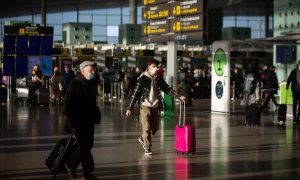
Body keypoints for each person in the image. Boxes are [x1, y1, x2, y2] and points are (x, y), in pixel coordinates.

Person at [125, 59, 185, 155]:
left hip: (155, 105)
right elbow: (135, 93)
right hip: (145, 105)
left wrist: (178, 96)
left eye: (157, 67)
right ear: (148, 67)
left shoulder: (158, 78)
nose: (156, 69)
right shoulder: (142, 78)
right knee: (147, 128)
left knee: (155, 128)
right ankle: (147, 147)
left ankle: (143, 138)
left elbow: (167, 88)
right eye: (154, 66)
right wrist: (129, 108)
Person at [64, 61, 99, 180]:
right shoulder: (75, 83)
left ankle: (70, 164)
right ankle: (88, 173)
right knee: (84, 148)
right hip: (78, 122)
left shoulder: (91, 82)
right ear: (83, 71)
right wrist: (72, 124)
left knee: (88, 145)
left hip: (89, 121)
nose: (93, 72)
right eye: (90, 70)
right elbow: (67, 105)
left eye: (94, 70)